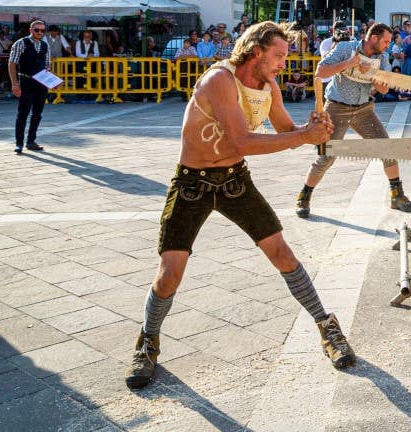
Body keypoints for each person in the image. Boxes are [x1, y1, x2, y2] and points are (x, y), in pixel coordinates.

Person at [125, 22, 351, 389]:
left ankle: (327, 326)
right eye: (278, 56)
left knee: (282, 254)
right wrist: (302, 137)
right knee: (170, 272)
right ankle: (147, 341)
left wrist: (314, 130)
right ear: (255, 51)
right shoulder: (219, 80)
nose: (283, 64)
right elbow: (243, 140)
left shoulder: (270, 87)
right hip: (192, 182)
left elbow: (286, 131)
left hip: (233, 179)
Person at [296, 22, 411, 218]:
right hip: (336, 107)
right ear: (373, 38)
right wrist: (349, 63)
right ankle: (304, 196)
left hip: (364, 109)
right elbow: (320, 72)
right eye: (385, 41)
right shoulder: (345, 48)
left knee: (387, 148)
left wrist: (376, 78)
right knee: (327, 155)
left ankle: (397, 195)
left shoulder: (382, 57)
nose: (388, 45)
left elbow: (384, 90)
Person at [7, 19, 52, 154]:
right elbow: (12, 64)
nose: (40, 32)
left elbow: (47, 66)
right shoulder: (21, 43)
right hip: (26, 82)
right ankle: (19, 143)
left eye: (42, 30)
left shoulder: (45, 45)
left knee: (37, 114)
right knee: (23, 113)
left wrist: (51, 81)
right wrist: (15, 83)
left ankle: (31, 141)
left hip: (41, 83)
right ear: (30, 30)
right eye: (37, 30)